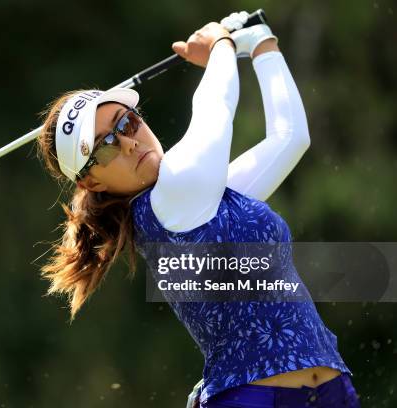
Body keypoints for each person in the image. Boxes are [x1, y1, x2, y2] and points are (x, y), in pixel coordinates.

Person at [35, 11, 360, 408]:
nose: (129, 144)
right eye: (105, 146)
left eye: (126, 123)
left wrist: (261, 44)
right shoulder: (170, 199)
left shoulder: (200, 195)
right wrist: (220, 46)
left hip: (330, 392)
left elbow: (290, 137)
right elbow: (214, 111)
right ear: (92, 182)